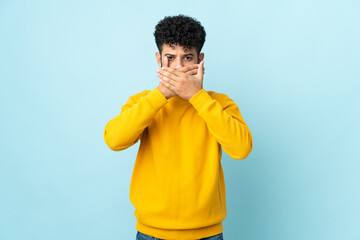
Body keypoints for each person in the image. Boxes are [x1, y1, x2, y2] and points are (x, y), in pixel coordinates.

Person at [104, 14, 253, 240]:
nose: (178, 67)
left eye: (187, 57)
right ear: (158, 58)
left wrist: (197, 96)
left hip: (207, 233)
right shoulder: (143, 102)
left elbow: (241, 149)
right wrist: (162, 94)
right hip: (151, 233)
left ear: (200, 60)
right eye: (170, 57)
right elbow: (114, 140)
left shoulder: (219, 103)